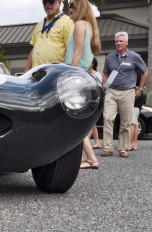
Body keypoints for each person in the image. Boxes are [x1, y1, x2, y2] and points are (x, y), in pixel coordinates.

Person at [65, 0, 101, 169]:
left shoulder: (79, 24)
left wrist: (68, 75)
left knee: (74, 123)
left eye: (71, 11)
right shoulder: (90, 25)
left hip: (76, 77)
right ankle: (87, 158)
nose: (70, 14)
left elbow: (78, 52)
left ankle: (92, 158)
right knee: (77, 122)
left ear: (78, 9)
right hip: (84, 76)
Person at [101, 31, 148, 158]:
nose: (118, 43)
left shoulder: (135, 56)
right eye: (116, 41)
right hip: (111, 91)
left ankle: (123, 148)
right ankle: (107, 148)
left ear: (127, 42)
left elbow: (145, 72)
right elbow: (105, 73)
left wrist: (141, 88)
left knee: (125, 122)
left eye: (121, 41)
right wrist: (103, 88)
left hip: (128, 92)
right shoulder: (110, 57)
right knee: (108, 118)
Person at [24, 0, 74, 71]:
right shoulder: (39, 25)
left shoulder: (68, 22)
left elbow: (71, 50)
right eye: (44, 2)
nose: (47, 4)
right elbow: (34, 48)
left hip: (54, 75)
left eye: (51, 1)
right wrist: (26, 70)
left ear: (59, 3)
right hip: (35, 75)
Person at [88, 58, 102, 149]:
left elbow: (99, 87)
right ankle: (97, 142)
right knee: (91, 123)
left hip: (94, 100)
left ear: (92, 64)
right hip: (88, 100)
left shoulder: (96, 74)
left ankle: (88, 141)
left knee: (90, 122)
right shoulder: (87, 73)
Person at [129, 73, 144, 151]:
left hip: (135, 100)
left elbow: (138, 87)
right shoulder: (139, 73)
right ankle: (134, 143)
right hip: (137, 101)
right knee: (135, 123)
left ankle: (130, 144)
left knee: (132, 122)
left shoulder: (135, 74)